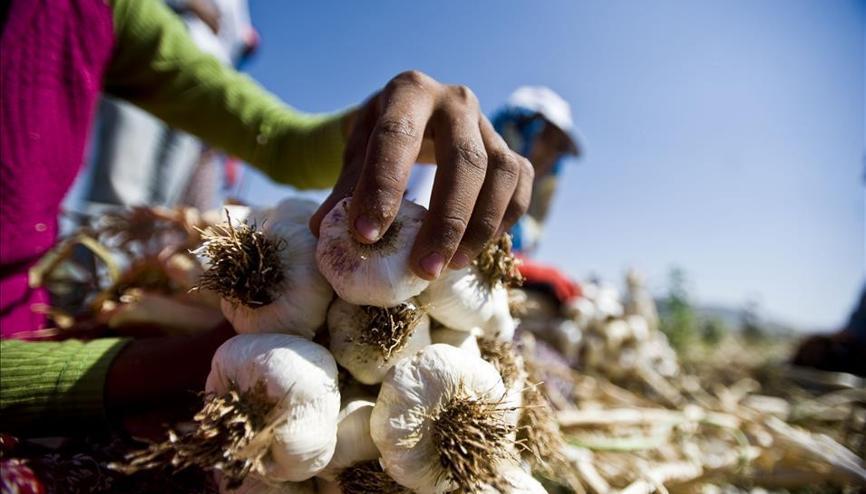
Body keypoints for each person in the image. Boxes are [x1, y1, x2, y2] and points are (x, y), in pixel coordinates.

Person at [0, 0, 533, 435]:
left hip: (38, 326)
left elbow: (278, 140)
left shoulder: (93, 8)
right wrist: (179, 365)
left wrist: (379, 121)